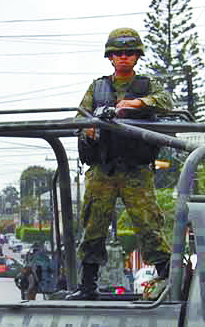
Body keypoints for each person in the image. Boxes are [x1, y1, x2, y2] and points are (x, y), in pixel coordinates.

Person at [70, 27, 172, 300]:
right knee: (93, 225)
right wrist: (88, 129)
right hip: (103, 168)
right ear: (110, 57)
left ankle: (169, 279)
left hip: (135, 170)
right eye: (118, 53)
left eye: (129, 53)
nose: (124, 57)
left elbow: (165, 102)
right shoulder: (97, 87)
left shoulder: (148, 86)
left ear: (137, 57)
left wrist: (134, 104)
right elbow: (80, 116)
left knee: (148, 223)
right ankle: (88, 286)